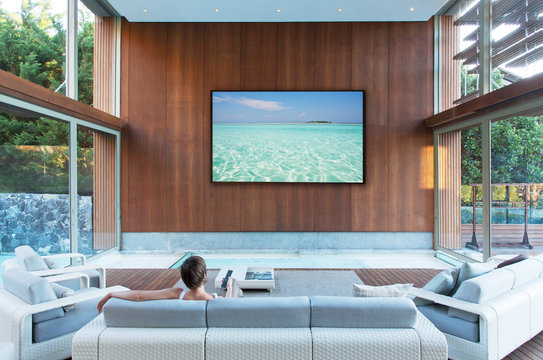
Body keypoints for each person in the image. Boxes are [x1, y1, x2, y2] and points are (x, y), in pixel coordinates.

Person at [97, 255, 238, 313]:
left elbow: (138, 296)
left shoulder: (176, 294)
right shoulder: (215, 300)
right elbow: (231, 305)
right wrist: (230, 287)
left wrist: (110, 293)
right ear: (205, 275)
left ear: (183, 277)